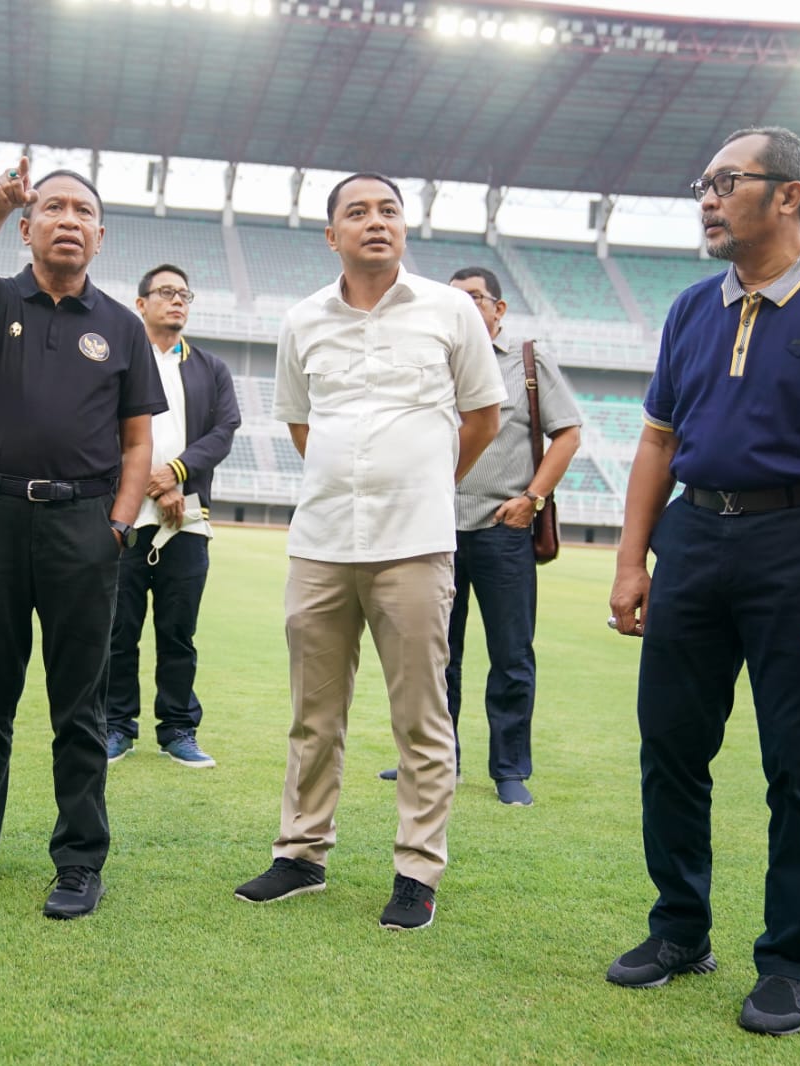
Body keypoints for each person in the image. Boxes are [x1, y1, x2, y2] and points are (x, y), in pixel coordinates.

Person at [605, 127, 800, 1035]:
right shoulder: (688, 308)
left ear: (785, 196)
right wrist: (633, 557)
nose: (705, 198)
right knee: (669, 746)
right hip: (694, 539)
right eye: (702, 182)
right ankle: (678, 930)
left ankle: (786, 961)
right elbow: (658, 441)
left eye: (724, 181)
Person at [233, 173, 504, 930]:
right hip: (320, 543)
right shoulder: (302, 320)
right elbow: (298, 424)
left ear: (404, 228)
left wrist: (423, 480)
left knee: (420, 715)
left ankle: (415, 871)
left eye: (388, 211)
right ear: (332, 235)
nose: (375, 222)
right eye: (357, 212)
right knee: (313, 713)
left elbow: (481, 417)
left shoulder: (451, 311)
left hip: (415, 544)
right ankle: (300, 854)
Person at [0, 159, 166, 920]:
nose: (66, 219)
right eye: (50, 208)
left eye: (81, 210)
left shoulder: (123, 326)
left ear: (99, 234)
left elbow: (136, 445)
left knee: (79, 705)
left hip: (82, 527)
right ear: (27, 229)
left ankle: (79, 858)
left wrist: (117, 525)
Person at [377, 266, 581, 806]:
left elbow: (568, 433)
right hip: (434, 528)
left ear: (498, 308)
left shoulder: (528, 363)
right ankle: (435, 760)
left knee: (511, 653)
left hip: (500, 529)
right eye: (453, 298)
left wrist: (531, 499)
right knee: (434, 654)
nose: (463, 306)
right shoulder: (431, 363)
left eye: (473, 297)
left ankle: (510, 769)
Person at [105, 265, 241, 769]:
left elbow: (224, 430)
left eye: (184, 294)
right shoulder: (119, 361)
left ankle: (178, 728)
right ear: (141, 304)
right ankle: (117, 726)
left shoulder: (209, 367)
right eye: (166, 293)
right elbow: (102, 429)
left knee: (178, 632)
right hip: (123, 518)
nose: (177, 301)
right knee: (118, 631)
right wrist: (149, 484)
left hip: (188, 522)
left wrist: (177, 475)